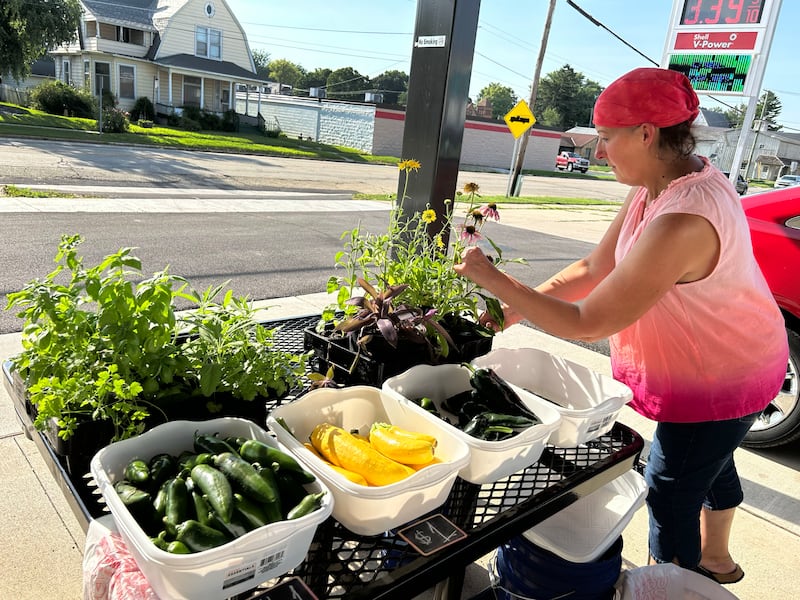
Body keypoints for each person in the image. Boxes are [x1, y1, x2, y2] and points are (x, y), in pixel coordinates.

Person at [453, 67, 788, 585]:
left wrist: (492, 279)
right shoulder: (657, 184)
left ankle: (672, 584)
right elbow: (593, 269)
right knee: (710, 460)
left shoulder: (683, 218)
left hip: (725, 371)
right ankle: (717, 560)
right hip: (725, 357)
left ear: (647, 133)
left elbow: (590, 320)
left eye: (607, 138)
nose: (599, 153)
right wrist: (513, 309)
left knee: (671, 484)